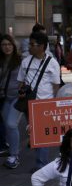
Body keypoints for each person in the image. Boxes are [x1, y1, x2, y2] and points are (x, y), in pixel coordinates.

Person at [17, 31, 62, 170]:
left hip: (44, 104)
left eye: (32, 44)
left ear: (42, 46)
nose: (29, 47)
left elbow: (56, 85)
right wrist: (22, 92)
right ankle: (40, 162)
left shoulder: (52, 63)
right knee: (34, 133)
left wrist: (52, 103)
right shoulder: (26, 61)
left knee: (43, 135)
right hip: (29, 104)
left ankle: (41, 165)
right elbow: (20, 81)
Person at [0, 35, 22, 168]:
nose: (7, 47)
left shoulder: (20, 60)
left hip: (17, 97)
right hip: (4, 97)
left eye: (9, 44)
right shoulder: (1, 60)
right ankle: (12, 148)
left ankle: (14, 155)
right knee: (7, 125)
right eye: (3, 44)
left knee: (11, 124)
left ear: (14, 46)